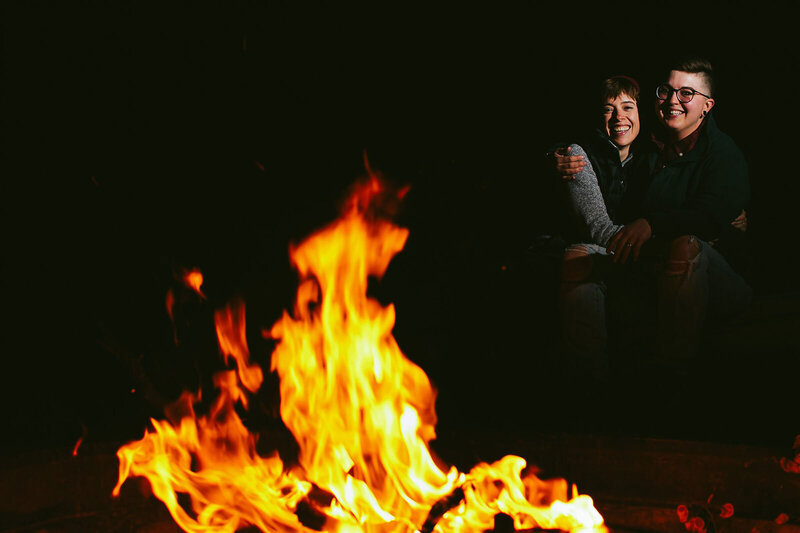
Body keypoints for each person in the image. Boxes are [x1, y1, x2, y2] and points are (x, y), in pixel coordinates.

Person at [555, 57, 752, 379]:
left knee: (686, 246)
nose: (673, 101)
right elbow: (593, 149)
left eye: (686, 94)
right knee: (578, 255)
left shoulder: (722, 155)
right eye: (667, 91)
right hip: (654, 262)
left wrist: (652, 225)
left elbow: (711, 214)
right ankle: (588, 383)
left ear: (707, 106)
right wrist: (553, 156)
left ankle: (667, 377)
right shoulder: (652, 149)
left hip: (718, 276)